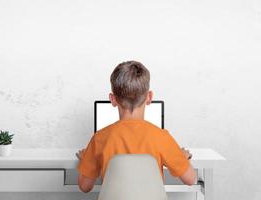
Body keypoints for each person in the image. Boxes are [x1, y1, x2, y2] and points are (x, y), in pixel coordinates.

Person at [76, 61, 197, 193]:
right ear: (149, 97)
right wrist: (181, 157)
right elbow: (191, 180)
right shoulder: (161, 137)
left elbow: (85, 187)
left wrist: (85, 160)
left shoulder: (100, 138)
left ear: (113, 99)